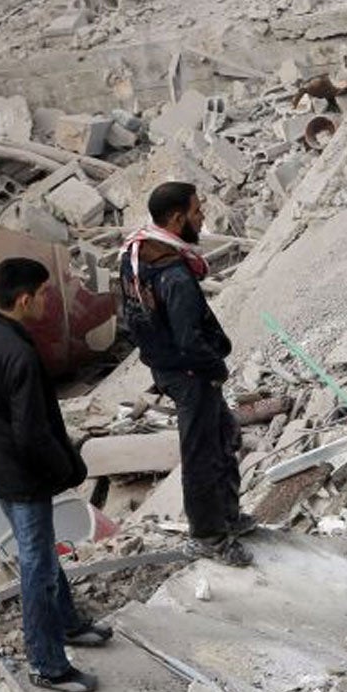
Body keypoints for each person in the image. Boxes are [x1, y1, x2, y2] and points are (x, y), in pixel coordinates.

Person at [0, 257, 110, 692]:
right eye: (43, 294)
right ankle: (48, 665)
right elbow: (32, 433)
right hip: (24, 478)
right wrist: (67, 470)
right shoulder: (19, 354)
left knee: (41, 554)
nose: (47, 301)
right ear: (23, 299)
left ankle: (68, 624)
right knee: (37, 565)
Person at [119, 182, 252, 568]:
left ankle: (227, 518)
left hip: (167, 364)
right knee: (203, 453)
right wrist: (215, 368)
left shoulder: (136, 252)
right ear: (176, 219)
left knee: (224, 436)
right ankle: (209, 536)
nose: (202, 217)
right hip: (189, 372)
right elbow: (190, 338)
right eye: (196, 212)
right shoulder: (173, 273)